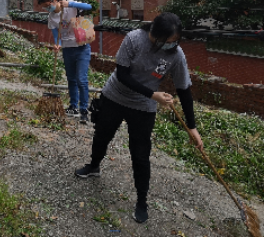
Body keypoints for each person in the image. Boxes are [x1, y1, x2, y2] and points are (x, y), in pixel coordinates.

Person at [74, 12, 203, 224]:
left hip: (143, 107)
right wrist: (154, 95)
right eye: (169, 41)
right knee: (102, 135)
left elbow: (185, 90)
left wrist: (192, 126)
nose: (173, 45)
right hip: (115, 96)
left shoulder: (176, 55)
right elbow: (122, 74)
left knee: (140, 155)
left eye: (176, 41)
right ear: (155, 34)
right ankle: (94, 165)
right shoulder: (135, 38)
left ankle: (142, 200)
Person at [38, 0, 93, 122]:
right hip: (68, 49)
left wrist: (70, 3)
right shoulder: (52, 17)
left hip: (81, 47)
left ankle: (83, 109)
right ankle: (73, 106)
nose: (47, 8)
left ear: (54, 0)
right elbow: (57, 35)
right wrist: (58, 44)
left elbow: (89, 7)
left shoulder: (71, 7)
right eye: (44, 7)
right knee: (71, 79)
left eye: (47, 5)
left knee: (81, 79)